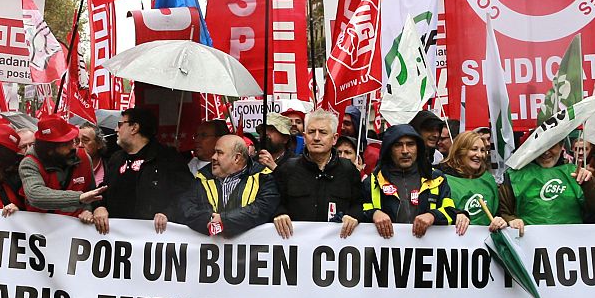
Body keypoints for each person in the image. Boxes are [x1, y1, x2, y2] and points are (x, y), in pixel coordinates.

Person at [97, 106, 195, 231]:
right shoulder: (116, 159)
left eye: (120, 124)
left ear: (134, 128)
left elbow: (187, 194)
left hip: (153, 240)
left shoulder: (167, 158)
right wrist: (99, 207)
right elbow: (103, 191)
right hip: (117, 241)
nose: (116, 129)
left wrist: (168, 213)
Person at [271, 109, 361, 239]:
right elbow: (272, 200)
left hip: (336, 248)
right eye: (312, 132)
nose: (317, 138)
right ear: (304, 136)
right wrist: (279, 213)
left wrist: (354, 215)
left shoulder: (348, 170)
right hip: (295, 248)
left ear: (334, 138)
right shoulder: (287, 169)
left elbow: (360, 202)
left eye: (323, 132)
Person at [359, 125, 456, 239]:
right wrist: (374, 213)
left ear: (418, 148)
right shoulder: (372, 182)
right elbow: (359, 211)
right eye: (398, 145)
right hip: (385, 251)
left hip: (427, 251)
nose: (405, 151)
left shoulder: (437, 178)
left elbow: (451, 212)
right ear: (389, 150)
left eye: (410, 144)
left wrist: (433, 215)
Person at [178, 135, 279, 237]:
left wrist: (224, 220)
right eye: (214, 152)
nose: (213, 157)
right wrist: (210, 220)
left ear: (236, 158)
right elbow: (186, 207)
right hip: (209, 251)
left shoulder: (262, 177)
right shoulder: (202, 177)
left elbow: (263, 208)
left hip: (247, 251)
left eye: (219, 153)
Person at [498, 138, 595, 226]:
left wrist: (589, 184)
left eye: (551, 145)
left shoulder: (576, 173)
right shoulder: (514, 175)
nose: (545, 152)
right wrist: (511, 221)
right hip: (530, 246)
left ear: (561, 145)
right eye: (540, 146)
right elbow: (504, 213)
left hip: (570, 245)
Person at [18, 116, 106, 218]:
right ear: (50, 150)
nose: (73, 146)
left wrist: (88, 210)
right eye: (65, 143)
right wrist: (79, 197)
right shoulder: (30, 164)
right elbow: (35, 195)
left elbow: (90, 194)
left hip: (76, 229)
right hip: (42, 229)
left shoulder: (83, 157)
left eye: (72, 140)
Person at [440, 130, 521, 235]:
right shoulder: (442, 179)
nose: (479, 155)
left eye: (482, 150)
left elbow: (499, 213)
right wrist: (454, 215)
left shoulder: (488, 180)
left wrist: (502, 221)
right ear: (460, 151)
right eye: (474, 149)